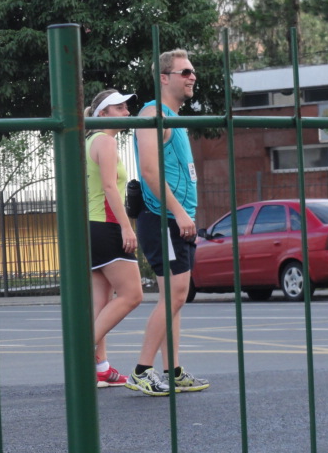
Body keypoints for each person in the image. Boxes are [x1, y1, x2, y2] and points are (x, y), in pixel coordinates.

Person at [125, 49, 210, 396]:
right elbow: (149, 170)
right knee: (175, 295)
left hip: (177, 220)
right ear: (164, 78)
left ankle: (172, 370)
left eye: (192, 71)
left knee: (175, 298)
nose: (192, 77)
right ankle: (141, 371)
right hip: (162, 218)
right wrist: (179, 212)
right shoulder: (152, 114)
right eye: (184, 72)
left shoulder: (174, 118)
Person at [85, 89, 144, 388]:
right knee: (133, 295)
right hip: (106, 225)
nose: (126, 112)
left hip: (92, 226)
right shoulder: (105, 141)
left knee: (101, 303)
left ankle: (101, 368)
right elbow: (109, 187)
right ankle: (81, 355)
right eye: (119, 107)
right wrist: (126, 227)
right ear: (103, 113)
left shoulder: (90, 141)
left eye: (126, 107)